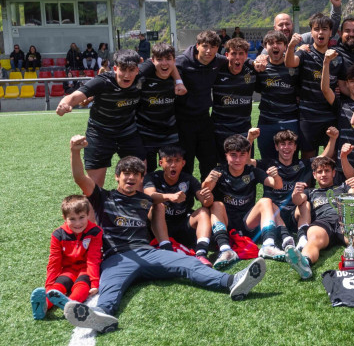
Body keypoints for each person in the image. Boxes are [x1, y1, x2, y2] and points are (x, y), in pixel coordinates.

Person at [65, 135, 265, 333]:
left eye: (136, 174)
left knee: (190, 263)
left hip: (148, 253)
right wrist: (75, 152)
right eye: (126, 173)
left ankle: (232, 281)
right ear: (117, 176)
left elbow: (159, 200)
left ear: (142, 179)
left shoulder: (145, 200)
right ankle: (101, 314)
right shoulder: (103, 197)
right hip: (117, 257)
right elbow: (80, 178)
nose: (131, 177)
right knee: (111, 287)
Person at [283, 157, 354, 280]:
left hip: (346, 221)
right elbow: (298, 200)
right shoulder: (311, 192)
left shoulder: (343, 187)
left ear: (333, 173)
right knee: (314, 238)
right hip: (323, 223)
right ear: (314, 175)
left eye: (327, 171)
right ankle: (304, 264)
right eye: (320, 172)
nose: (323, 174)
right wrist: (295, 193)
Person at [56, 50, 147, 188]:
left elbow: (162, 63)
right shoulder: (102, 81)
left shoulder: (141, 79)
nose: (127, 75)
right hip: (99, 133)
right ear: (115, 69)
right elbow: (74, 96)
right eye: (123, 70)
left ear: (137, 70)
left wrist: (178, 81)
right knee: (94, 187)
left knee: (139, 181)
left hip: (127, 132)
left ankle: (128, 207)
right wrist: (65, 104)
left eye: (131, 70)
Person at [202, 134, 287, 265]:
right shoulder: (219, 171)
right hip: (226, 222)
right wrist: (208, 181)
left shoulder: (252, 171)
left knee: (266, 201)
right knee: (217, 204)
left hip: (247, 222)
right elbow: (205, 192)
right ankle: (225, 250)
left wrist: (276, 177)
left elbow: (277, 185)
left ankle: (268, 246)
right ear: (226, 155)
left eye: (242, 155)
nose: (238, 159)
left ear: (248, 155)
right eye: (233, 155)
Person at [250, 128, 338, 251]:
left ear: (295, 147)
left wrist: (332, 138)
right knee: (270, 202)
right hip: (272, 214)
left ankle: (302, 239)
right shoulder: (268, 163)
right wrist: (250, 140)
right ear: (276, 147)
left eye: (290, 144)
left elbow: (324, 156)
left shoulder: (302, 164)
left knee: (305, 203)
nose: (286, 147)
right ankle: (283, 237)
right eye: (282, 144)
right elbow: (246, 162)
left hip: (293, 214)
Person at [143, 145, 219, 267]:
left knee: (204, 211)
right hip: (158, 229)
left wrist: (208, 198)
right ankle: (167, 250)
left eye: (177, 161)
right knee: (157, 206)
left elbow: (205, 202)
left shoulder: (188, 179)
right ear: (161, 163)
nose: (173, 165)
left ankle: (201, 253)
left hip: (183, 224)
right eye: (169, 161)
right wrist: (169, 196)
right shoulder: (152, 177)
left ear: (183, 163)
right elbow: (149, 196)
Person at [30, 195, 102, 320]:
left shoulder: (95, 231)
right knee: (59, 285)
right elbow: (54, 261)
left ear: (88, 214)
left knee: (83, 286)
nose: (78, 223)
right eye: (72, 219)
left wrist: (95, 282)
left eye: (81, 217)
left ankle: (69, 304)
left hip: (85, 269)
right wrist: (49, 284)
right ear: (64, 218)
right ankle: (45, 305)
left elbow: (93, 258)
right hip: (67, 269)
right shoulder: (58, 234)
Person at [285, 12, 344, 159]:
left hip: (330, 115)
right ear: (311, 32)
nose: (320, 32)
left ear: (331, 32)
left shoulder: (337, 58)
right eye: (316, 29)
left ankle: (329, 183)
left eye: (324, 29)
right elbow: (290, 63)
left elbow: (342, 84)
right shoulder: (305, 53)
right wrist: (292, 46)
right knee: (308, 157)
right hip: (308, 115)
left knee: (329, 157)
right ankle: (308, 183)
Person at [175, 30, 229, 180]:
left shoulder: (218, 61)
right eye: (205, 46)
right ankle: (184, 201)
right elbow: (165, 66)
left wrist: (254, 61)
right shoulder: (182, 61)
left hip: (205, 118)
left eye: (213, 47)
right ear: (197, 45)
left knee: (210, 162)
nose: (208, 51)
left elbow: (234, 60)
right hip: (183, 121)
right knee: (186, 164)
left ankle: (209, 199)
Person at [254, 30, 300, 161]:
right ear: (265, 47)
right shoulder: (260, 68)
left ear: (285, 46)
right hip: (266, 122)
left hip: (290, 121)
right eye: (270, 43)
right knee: (267, 162)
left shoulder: (294, 66)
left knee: (291, 161)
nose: (275, 46)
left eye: (279, 43)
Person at [212, 38, 257, 162]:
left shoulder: (252, 72)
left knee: (245, 167)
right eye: (233, 53)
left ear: (246, 55)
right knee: (222, 168)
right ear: (226, 55)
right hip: (220, 130)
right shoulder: (217, 72)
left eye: (241, 53)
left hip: (243, 130)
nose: (237, 57)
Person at [136, 43, 179, 173]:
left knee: (171, 170)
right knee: (147, 170)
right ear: (152, 60)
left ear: (174, 61)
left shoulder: (179, 77)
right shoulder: (143, 78)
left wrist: (179, 82)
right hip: (145, 133)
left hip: (170, 134)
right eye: (159, 59)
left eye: (168, 59)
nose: (164, 63)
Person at [267, 0, 342, 52]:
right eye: (280, 25)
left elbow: (329, 28)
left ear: (292, 25)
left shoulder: (303, 39)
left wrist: (336, 7)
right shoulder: (270, 47)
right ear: (275, 28)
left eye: (287, 24)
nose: (285, 27)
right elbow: (261, 58)